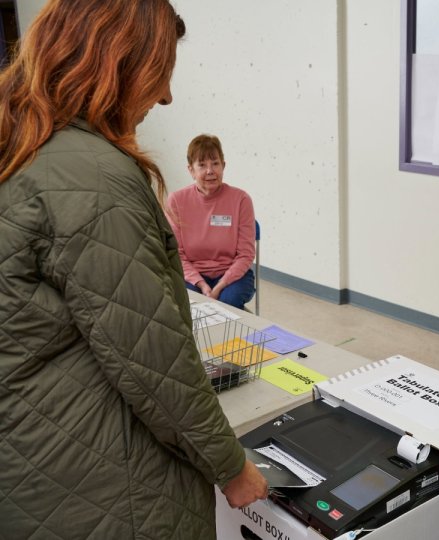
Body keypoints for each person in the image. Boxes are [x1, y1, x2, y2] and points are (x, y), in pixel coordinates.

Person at [0, 1, 267, 538]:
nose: (166, 95)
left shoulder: (25, 145)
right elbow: (154, 358)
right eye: (160, 71)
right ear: (117, 61)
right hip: (105, 484)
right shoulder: (94, 176)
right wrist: (230, 466)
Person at [166, 134, 256, 310]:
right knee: (188, 302)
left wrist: (221, 285)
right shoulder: (176, 201)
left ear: (223, 165)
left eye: (215, 163)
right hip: (191, 274)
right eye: (202, 165)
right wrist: (201, 284)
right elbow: (176, 254)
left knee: (227, 303)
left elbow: (245, 254)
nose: (210, 171)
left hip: (233, 275)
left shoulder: (241, 200)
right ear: (191, 170)